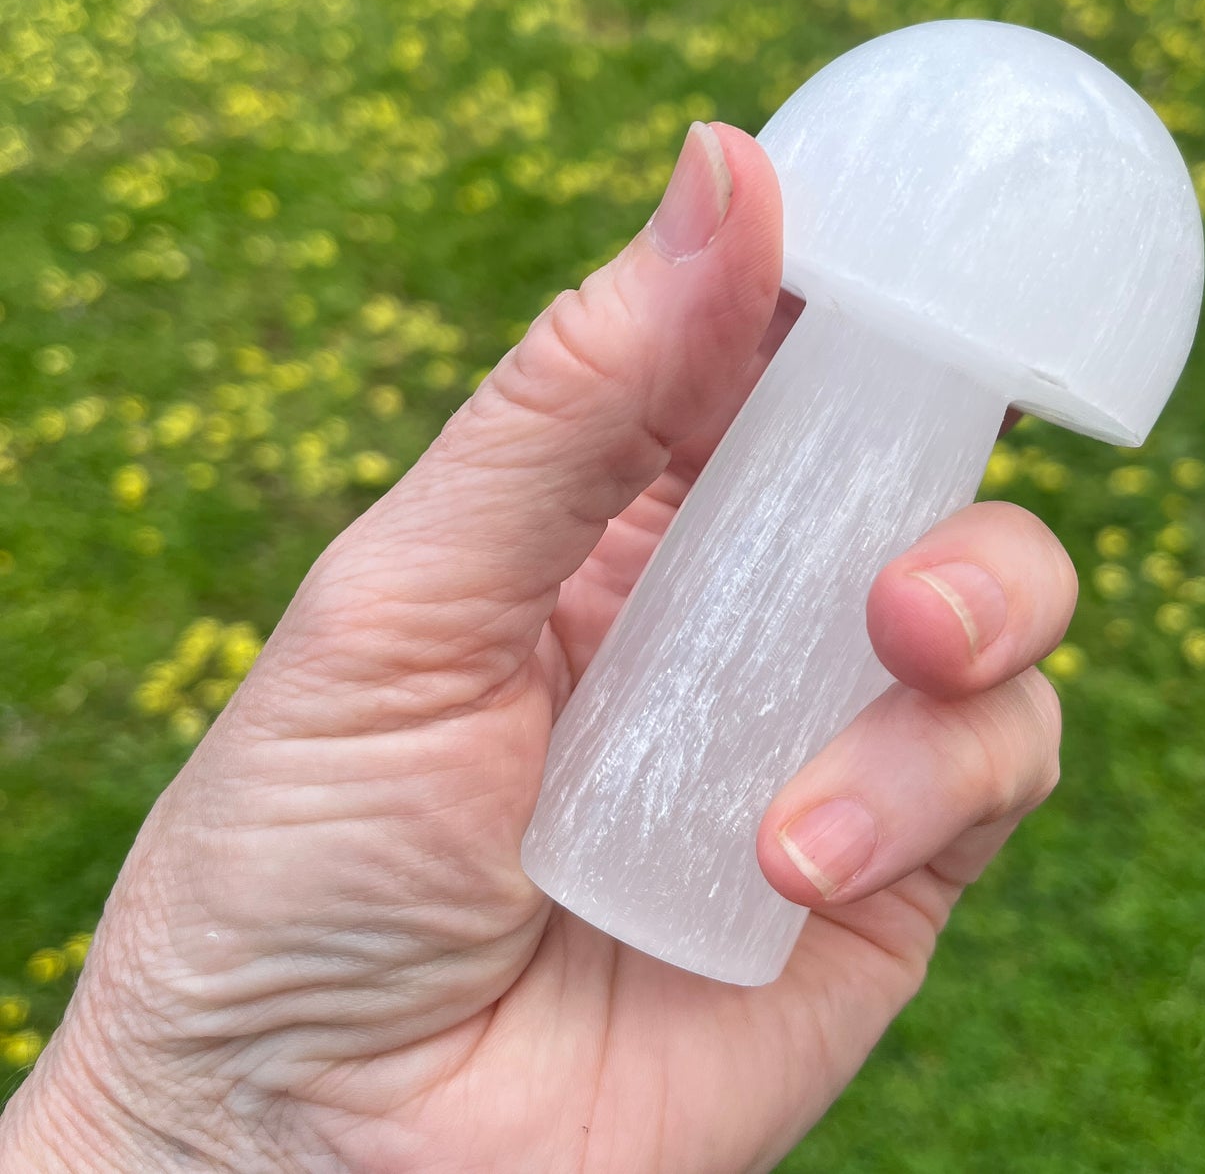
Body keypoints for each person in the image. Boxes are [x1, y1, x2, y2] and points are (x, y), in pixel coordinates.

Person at [0, 123, 1076, 1172]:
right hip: (405, 1000)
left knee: (933, 616)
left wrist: (200, 1127)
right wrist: (188, 1119)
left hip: (573, 1036)